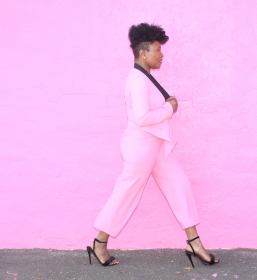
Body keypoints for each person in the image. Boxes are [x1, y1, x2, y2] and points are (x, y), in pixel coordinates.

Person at [86, 23, 220, 268]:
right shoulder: (137, 79)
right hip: (140, 146)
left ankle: (194, 242)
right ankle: (99, 243)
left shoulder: (145, 77)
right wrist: (169, 108)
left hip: (156, 146)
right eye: (158, 49)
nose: (162, 54)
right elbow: (141, 118)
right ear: (143, 52)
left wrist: (165, 107)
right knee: (127, 193)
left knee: (179, 184)